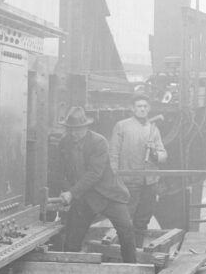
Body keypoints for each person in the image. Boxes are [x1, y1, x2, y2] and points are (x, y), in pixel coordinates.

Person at [55, 106, 137, 263]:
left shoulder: (99, 142)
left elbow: (94, 174)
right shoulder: (64, 143)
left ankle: (131, 267)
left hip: (108, 194)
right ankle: (69, 272)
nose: (74, 133)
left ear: (86, 127)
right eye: (70, 129)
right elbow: (60, 172)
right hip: (84, 197)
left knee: (126, 232)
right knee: (72, 240)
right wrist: (67, 191)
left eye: (78, 129)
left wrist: (72, 193)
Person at [109, 95, 168, 236]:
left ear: (149, 108)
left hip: (150, 182)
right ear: (133, 108)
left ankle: (137, 251)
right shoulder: (122, 126)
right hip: (130, 181)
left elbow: (163, 155)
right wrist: (115, 178)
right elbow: (114, 154)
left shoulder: (153, 128)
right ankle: (126, 254)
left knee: (143, 220)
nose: (142, 109)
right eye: (139, 106)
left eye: (145, 106)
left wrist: (153, 152)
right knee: (126, 220)